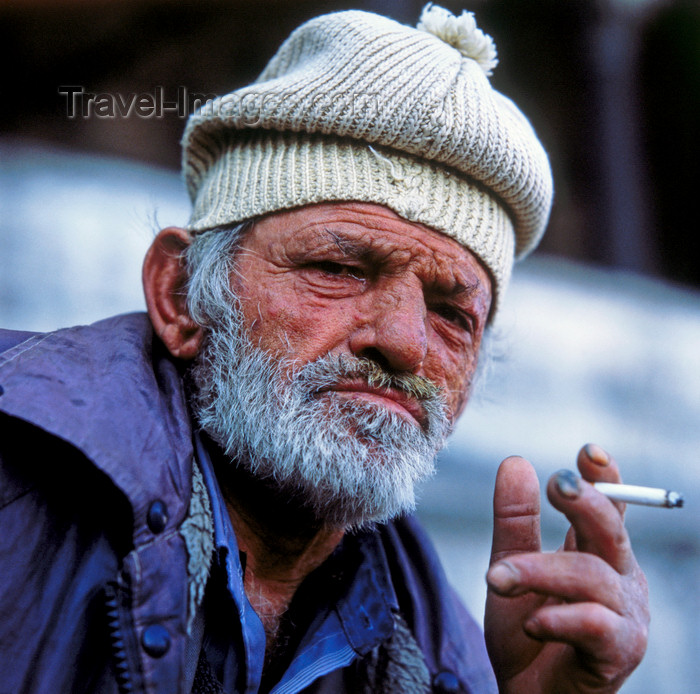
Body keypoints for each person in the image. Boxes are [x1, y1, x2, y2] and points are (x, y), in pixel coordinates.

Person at [0, 5, 648, 693]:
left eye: (452, 312)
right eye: (337, 270)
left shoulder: (444, 656)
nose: (403, 342)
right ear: (182, 295)